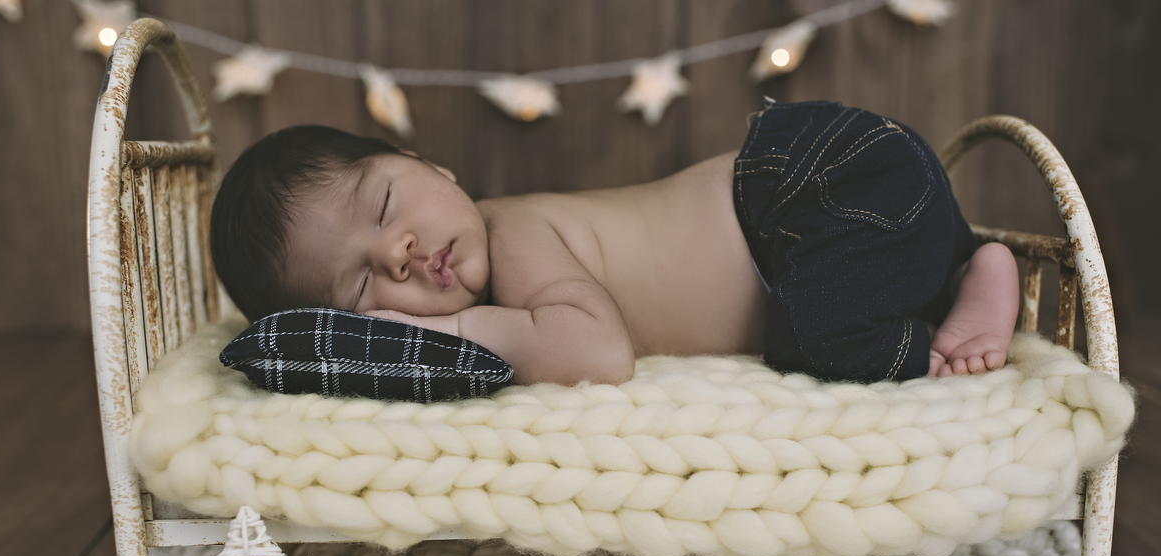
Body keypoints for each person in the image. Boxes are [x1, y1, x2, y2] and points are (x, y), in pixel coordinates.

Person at [210, 99, 1020, 387]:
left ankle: (955, 312)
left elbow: (597, 353)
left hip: (810, 184)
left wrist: (436, 329)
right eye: (360, 288)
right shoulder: (497, 278)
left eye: (386, 200)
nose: (399, 250)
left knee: (816, 338)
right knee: (844, 295)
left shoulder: (513, 229)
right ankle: (965, 268)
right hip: (842, 215)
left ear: (431, 165)